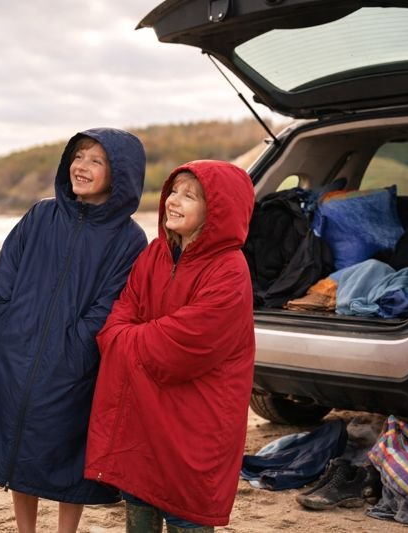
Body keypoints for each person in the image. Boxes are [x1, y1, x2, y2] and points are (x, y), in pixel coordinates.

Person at [0, 128, 148, 533]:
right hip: (16, 352)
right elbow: (2, 275)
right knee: (16, 445)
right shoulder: (41, 214)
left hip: (75, 364)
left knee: (64, 454)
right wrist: (7, 323)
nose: (82, 167)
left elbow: (114, 302)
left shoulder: (129, 238)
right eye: (79, 156)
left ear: (121, 174)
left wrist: (78, 345)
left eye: (97, 161)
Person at [84, 160, 257, 532]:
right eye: (173, 191)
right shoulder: (154, 255)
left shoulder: (229, 270)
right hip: (145, 413)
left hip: (198, 417)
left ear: (217, 212)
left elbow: (181, 345)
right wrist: (127, 338)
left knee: (187, 510)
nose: (173, 202)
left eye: (189, 196)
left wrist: (126, 342)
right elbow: (116, 319)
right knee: (140, 501)